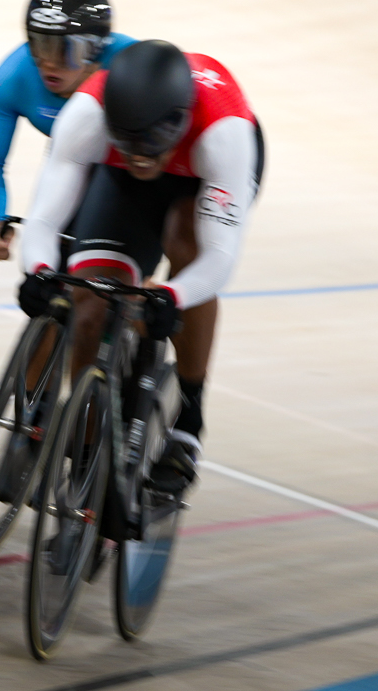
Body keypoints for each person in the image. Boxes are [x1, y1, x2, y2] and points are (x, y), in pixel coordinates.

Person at [17, 40, 263, 493]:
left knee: (185, 241)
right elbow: (45, 218)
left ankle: (188, 416)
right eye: (128, 140)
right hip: (126, 183)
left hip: (201, 177)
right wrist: (38, 269)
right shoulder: (87, 116)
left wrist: (174, 296)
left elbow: (220, 258)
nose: (140, 154)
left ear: (180, 122)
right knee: (89, 301)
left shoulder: (223, 135)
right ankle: (86, 467)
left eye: (150, 141)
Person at [0, 0, 135, 261]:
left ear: (94, 49)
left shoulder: (131, 62)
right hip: (72, 152)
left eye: (65, 51)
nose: (49, 63)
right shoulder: (12, 78)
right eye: (39, 46)